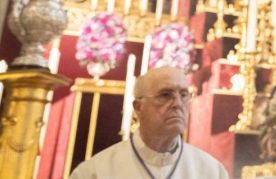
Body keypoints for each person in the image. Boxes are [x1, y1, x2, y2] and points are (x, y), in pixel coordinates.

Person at [70, 66, 228, 178]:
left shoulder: (212, 172)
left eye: (184, 95)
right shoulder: (95, 172)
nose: (178, 104)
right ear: (138, 107)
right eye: (165, 95)